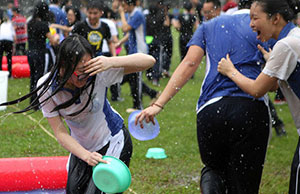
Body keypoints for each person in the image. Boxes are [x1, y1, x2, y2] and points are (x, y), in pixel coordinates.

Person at [136, 0, 271, 193]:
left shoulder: (210, 25)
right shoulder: (263, 26)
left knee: (213, 169)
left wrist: (159, 104)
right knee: (244, 180)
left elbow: (189, 63)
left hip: (210, 110)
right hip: (250, 109)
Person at [0, 34, 156, 193]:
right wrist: (86, 155)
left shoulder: (98, 73)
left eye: (89, 69)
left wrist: (111, 61)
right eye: (81, 71)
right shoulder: (47, 88)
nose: (86, 76)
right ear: (63, 66)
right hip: (81, 148)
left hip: (112, 140)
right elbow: (60, 132)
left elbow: (149, 61)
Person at [217, 0, 300, 193]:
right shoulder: (293, 36)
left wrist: (230, 71)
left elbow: (257, 90)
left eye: (255, 18)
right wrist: (270, 62)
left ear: (275, 18)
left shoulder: (286, 45)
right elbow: (272, 86)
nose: (251, 25)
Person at [118, 0, 159, 112]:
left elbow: (125, 28)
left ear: (130, 4)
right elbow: (130, 33)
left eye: (124, 5)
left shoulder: (137, 14)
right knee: (133, 78)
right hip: (134, 50)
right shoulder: (133, 14)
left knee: (135, 78)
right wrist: (120, 42)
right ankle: (153, 94)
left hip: (139, 51)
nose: (123, 7)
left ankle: (139, 106)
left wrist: (121, 14)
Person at [27, 1, 57, 108]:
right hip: (40, 53)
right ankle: (38, 102)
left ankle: (32, 101)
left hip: (30, 52)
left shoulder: (30, 22)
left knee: (33, 77)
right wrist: (56, 37)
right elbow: (52, 41)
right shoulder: (43, 25)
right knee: (40, 77)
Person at [0, 13, 16, 78]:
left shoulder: (1, 25)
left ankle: (0, 72)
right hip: (9, 41)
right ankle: (9, 74)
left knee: (0, 57)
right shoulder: (10, 25)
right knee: (9, 58)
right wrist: (14, 45)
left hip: (1, 41)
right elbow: (14, 36)